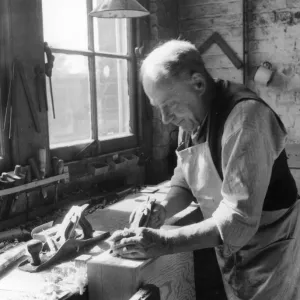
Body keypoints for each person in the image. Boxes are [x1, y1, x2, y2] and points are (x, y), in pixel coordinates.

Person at [108, 40, 300, 299]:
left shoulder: (245, 119)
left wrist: (163, 242)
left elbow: (238, 220)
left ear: (198, 83)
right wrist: (163, 209)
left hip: (269, 248)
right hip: (230, 245)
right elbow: (185, 179)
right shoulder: (192, 118)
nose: (165, 119)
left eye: (170, 105)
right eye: (158, 109)